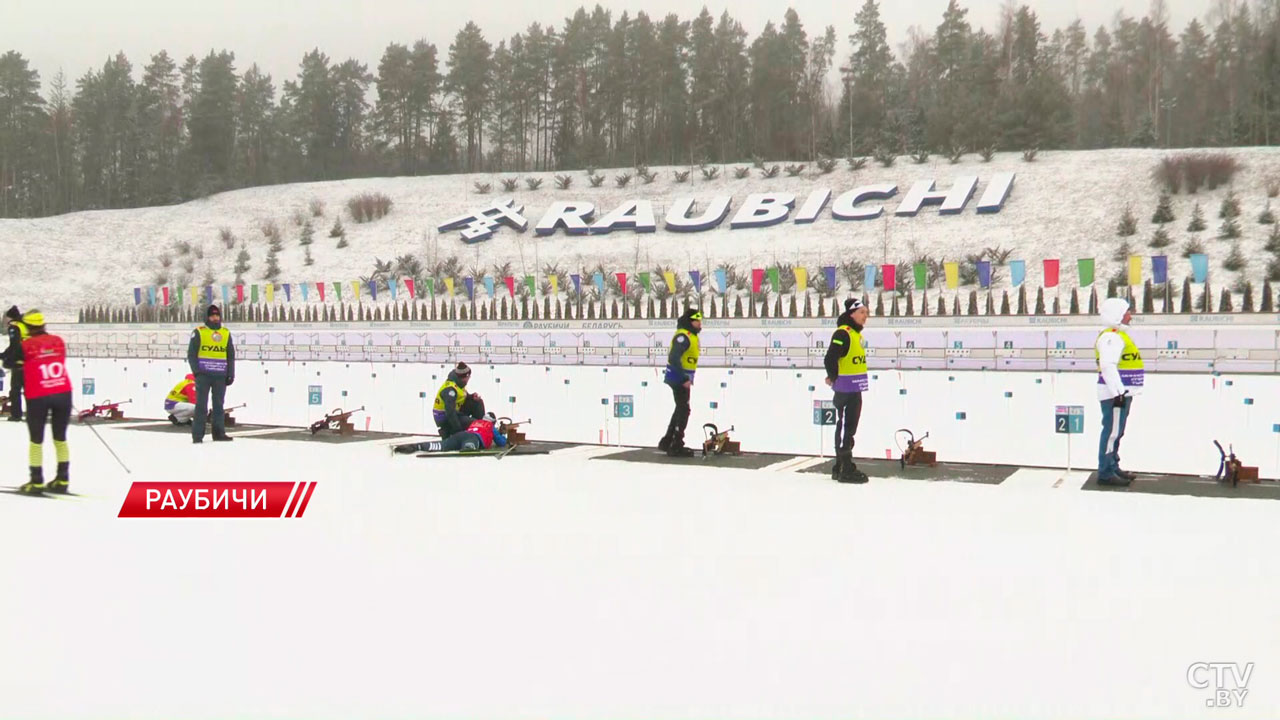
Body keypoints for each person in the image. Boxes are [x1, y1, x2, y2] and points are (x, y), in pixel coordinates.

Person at [16, 311, 73, 495]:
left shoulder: (25, 345)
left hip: (38, 395)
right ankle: (63, 479)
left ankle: (36, 481)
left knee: (36, 440)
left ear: (26, 327)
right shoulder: (57, 341)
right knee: (60, 438)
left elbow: (10, 362)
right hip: (62, 391)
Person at [1095, 297, 1143, 486]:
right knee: (1112, 432)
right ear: (1117, 315)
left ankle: (1113, 466)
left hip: (1121, 393)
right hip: (1115, 395)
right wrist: (1118, 393)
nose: (1130, 316)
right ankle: (1106, 472)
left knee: (1117, 431)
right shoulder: (1111, 337)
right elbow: (1107, 366)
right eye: (1127, 312)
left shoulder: (1118, 335)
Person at [824, 298, 870, 484]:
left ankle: (841, 466)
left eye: (866, 313)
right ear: (852, 314)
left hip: (854, 387)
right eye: (862, 313)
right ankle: (844, 467)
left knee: (849, 427)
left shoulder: (856, 335)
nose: (865, 317)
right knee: (845, 426)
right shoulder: (843, 333)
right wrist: (833, 377)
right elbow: (830, 358)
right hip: (846, 388)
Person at [187, 305, 235, 444]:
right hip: (204, 375)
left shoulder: (225, 333)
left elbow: (230, 355)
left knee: (219, 405)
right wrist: (196, 372)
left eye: (217, 315)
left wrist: (231, 373)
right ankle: (197, 435)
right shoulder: (199, 332)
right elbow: (191, 354)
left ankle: (219, 433)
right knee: (201, 406)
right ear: (207, 317)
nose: (215, 318)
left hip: (220, 375)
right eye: (212, 315)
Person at [658, 307, 702, 457]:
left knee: (680, 408)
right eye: (697, 320)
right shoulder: (684, 336)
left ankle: (668, 440)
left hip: (680, 378)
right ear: (691, 321)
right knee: (684, 410)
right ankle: (676, 444)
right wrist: (684, 378)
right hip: (678, 378)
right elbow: (674, 357)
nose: (700, 323)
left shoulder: (690, 335)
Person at [393, 412, 508, 454]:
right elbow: (501, 443)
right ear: (492, 422)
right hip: (473, 439)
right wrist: (503, 434)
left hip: (460, 435)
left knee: (442, 446)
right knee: (469, 449)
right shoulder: (490, 427)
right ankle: (468, 447)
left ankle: (418, 446)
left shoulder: (476, 422)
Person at [433, 362, 484, 438]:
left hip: (456, 412)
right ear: (465, 377)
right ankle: (450, 432)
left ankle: (481, 430)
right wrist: (459, 431)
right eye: (469, 377)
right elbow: (450, 412)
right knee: (473, 423)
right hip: (445, 417)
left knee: (477, 403)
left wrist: (471, 397)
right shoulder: (450, 390)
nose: (469, 379)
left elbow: (461, 396)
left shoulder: (459, 383)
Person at [3, 305, 28, 421]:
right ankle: (34, 413)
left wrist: (6, 357)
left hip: (19, 363)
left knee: (15, 390)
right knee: (29, 390)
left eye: (7, 318)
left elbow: (14, 345)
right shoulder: (24, 326)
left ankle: (16, 415)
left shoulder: (13, 327)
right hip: (30, 362)